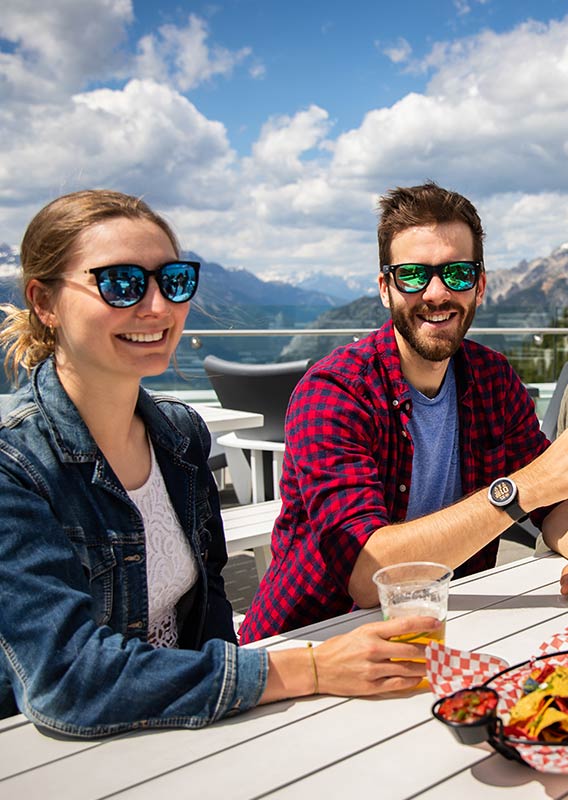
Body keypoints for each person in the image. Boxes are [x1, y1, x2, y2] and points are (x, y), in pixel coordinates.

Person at [0, 189, 438, 737]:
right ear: (45, 302)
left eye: (173, 281)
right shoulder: (15, 467)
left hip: (191, 729)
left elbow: (207, 620)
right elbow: (68, 680)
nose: (157, 307)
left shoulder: (180, 439)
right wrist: (311, 667)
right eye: (119, 282)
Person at [239, 181, 568, 644]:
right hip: (310, 645)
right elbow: (367, 570)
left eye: (457, 273)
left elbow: (555, 508)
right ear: (385, 289)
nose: (436, 293)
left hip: (445, 632)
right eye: (413, 275)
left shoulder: (493, 379)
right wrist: (524, 487)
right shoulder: (335, 392)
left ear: (480, 286)